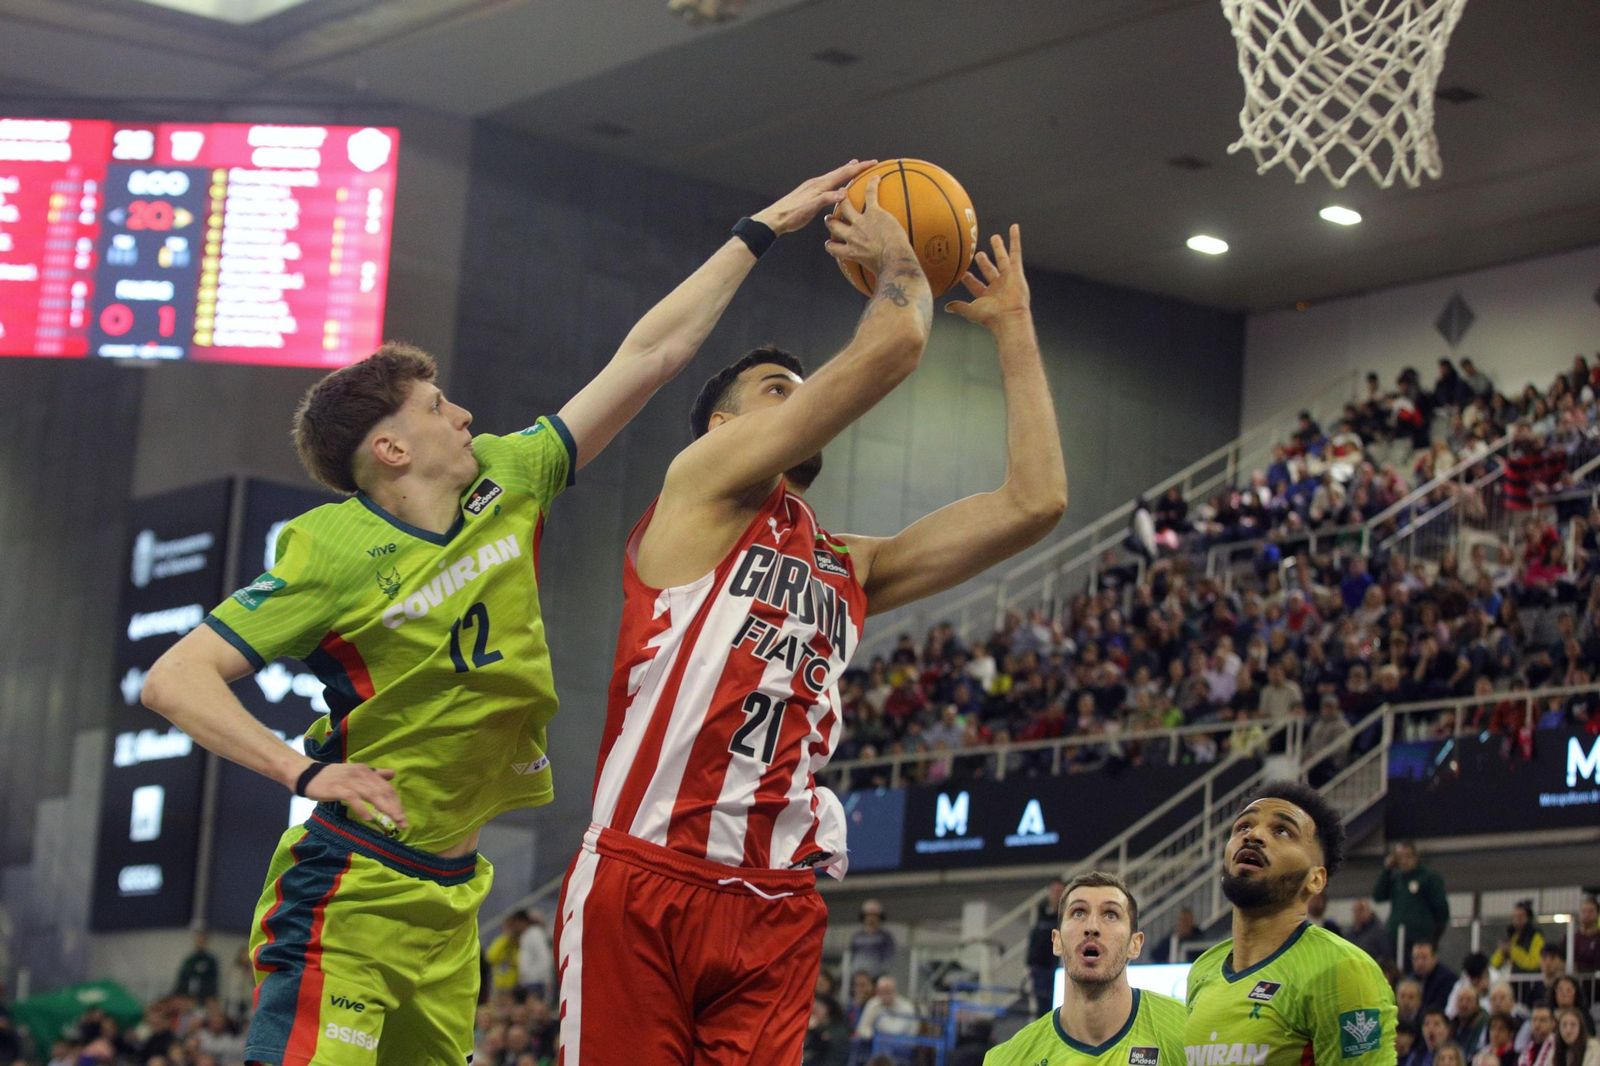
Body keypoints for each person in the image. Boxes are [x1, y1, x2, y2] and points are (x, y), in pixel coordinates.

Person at [140, 159, 878, 1066]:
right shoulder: (326, 549)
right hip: (351, 887)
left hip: (452, 899)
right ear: (392, 448)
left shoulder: (509, 474)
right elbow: (174, 679)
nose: (464, 414)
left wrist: (758, 230)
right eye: (438, 406)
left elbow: (649, 356)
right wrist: (301, 772)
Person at [556, 206, 1066, 1064]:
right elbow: (894, 344)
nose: (802, 399)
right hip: (648, 873)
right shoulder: (697, 487)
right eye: (777, 390)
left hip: (776, 900)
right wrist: (900, 259)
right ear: (725, 428)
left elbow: (1035, 503)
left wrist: (1013, 327)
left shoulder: (849, 565)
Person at [1184, 781, 1398, 1066]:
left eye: (1282, 831)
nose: (1254, 835)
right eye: (1243, 826)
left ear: (1315, 879)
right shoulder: (1203, 969)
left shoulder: (1341, 970)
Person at [984, 871, 1185, 1066]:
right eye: (1078, 913)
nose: (1092, 927)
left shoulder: (1184, 1029)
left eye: (1111, 914)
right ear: (1057, 941)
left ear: (1135, 944)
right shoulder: (1006, 1060)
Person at [1375, 841, 1450, 956]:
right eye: (1400, 857)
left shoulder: (1429, 877)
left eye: (1408, 856)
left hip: (1421, 939)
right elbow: (1378, 896)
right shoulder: (1396, 878)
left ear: (1415, 856)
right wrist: (1387, 870)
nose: (1404, 861)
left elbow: (1441, 910)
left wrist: (1434, 936)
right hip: (1396, 938)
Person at [1026, 878, 1067, 1016]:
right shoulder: (1041, 912)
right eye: (1054, 891)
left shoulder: (1067, 916)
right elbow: (1034, 938)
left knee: (1056, 1005)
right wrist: (1029, 963)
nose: (1056, 895)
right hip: (1039, 968)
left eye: (1059, 892)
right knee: (1041, 1006)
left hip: (1057, 967)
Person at [854, 976, 920, 1045]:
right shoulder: (873, 1004)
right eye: (882, 991)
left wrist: (899, 1041)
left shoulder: (907, 1007)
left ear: (895, 991)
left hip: (901, 1045)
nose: (885, 995)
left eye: (888, 991)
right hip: (877, 1043)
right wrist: (874, 1037)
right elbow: (862, 1028)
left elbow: (913, 1033)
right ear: (877, 992)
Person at [1493, 902, 1547, 983]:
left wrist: (1512, 950)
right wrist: (1502, 952)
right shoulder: (1512, 936)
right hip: (1511, 983)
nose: (1517, 919)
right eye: (1515, 916)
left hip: (1530, 984)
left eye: (1521, 916)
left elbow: (1534, 963)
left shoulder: (1536, 936)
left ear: (1528, 918)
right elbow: (1494, 963)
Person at [851, 899, 897, 981]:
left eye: (874, 915)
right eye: (868, 915)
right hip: (858, 978)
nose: (871, 918)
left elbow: (889, 958)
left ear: (880, 917)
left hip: (877, 978)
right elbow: (852, 957)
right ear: (863, 917)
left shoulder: (885, 937)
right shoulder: (857, 937)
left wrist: (881, 974)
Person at [173, 929, 220, 1002]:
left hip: (204, 999)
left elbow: (213, 982)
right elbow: (182, 979)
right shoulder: (189, 960)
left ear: (206, 941)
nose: (200, 942)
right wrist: (178, 995)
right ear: (195, 940)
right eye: (199, 940)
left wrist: (211, 997)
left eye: (203, 940)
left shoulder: (211, 961)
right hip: (186, 997)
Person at [517, 910, 554, 1003]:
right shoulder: (525, 935)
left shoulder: (535, 933)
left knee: (537, 1006)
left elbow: (544, 956)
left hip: (537, 981)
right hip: (528, 981)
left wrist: (547, 979)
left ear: (521, 921)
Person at [1414, 941, 1461, 1013]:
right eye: (1416, 958)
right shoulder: (1411, 979)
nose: (1420, 963)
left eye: (1424, 958)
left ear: (1434, 958)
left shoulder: (1446, 980)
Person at [1350, 898, 1394, 965]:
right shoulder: (1351, 933)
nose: (1357, 914)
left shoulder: (1379, 931)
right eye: (1355, 911)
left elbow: (1386, 955)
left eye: (1361, 910)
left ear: (1368, 911)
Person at [1572, 896, 1600, 975]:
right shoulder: (1571, 940)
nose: (1587, 915)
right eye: (1583, 911)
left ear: (1597, 914)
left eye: (1591, 911)